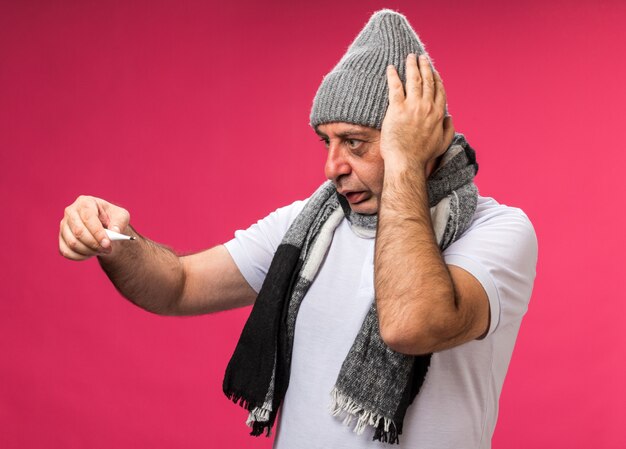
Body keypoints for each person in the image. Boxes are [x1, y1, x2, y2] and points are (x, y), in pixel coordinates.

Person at [58, 9, 537, 449]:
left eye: (355, 142)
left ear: (420, 138)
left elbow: (410, 325)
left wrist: (405, 161)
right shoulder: (307, 227)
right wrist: (117, 241)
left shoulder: (497, 232)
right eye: (325, 142)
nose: (333, 166)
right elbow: (178, 286)